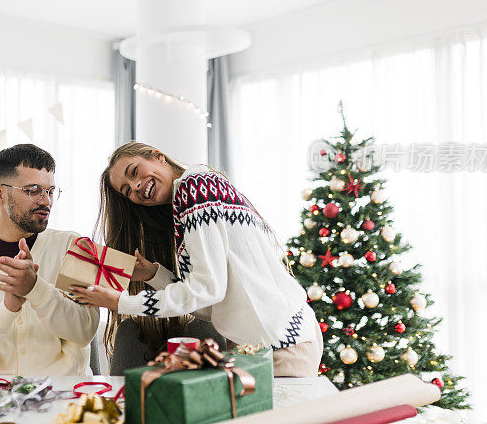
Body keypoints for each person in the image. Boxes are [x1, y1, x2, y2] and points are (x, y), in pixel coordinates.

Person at [71, 142, 323, 377]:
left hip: (279, 343)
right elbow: (208, 305)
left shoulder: (194, 186)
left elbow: (206, 290)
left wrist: (122, 302)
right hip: (262, 345)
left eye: (134, 172)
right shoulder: (194, 194)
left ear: (158, 157)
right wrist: (153, 275)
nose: (135, 187)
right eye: (127, 190)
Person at [0, 144, 99, 375]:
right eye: (33, 190)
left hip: (63, 399)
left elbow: (85, 330)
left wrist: (36, 289)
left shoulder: (74, 247)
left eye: (51, 191)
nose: (46, 201)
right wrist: (7, 308)